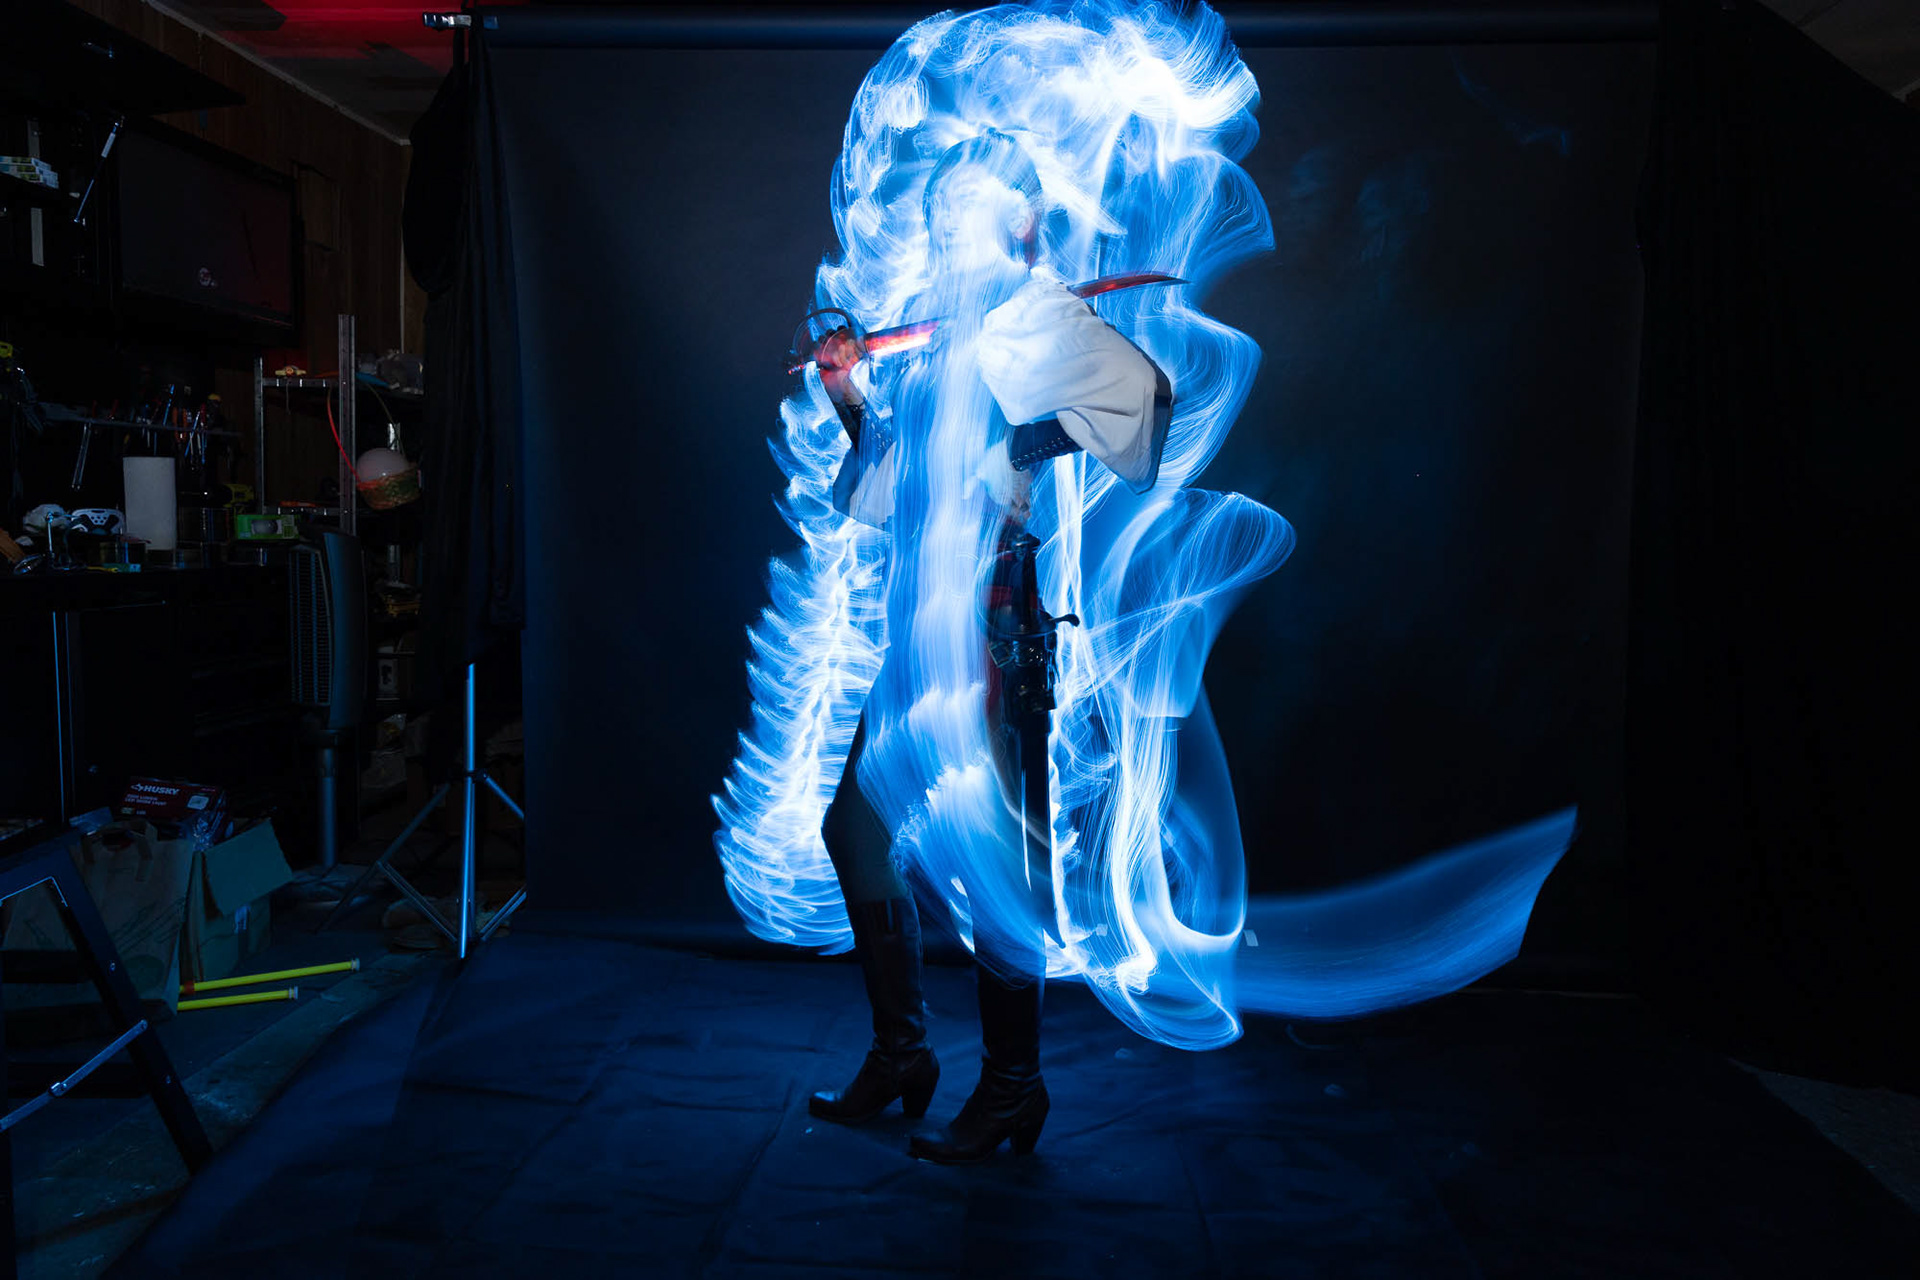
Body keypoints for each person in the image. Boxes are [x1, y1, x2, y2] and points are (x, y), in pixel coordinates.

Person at [801, 129, 1169, 1163]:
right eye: (940, 212)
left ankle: (1013, 1085)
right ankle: (903, 1054)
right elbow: (892, 489)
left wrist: (1022, 442)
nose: (945, 227)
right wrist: (849, 400)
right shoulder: (941, 345)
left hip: (991, 641)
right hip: (919, 635)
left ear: (1017, 221)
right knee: (856, 832)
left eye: (966, 209)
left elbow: (1146, 403)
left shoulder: (1037, 314)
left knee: (999, 869)